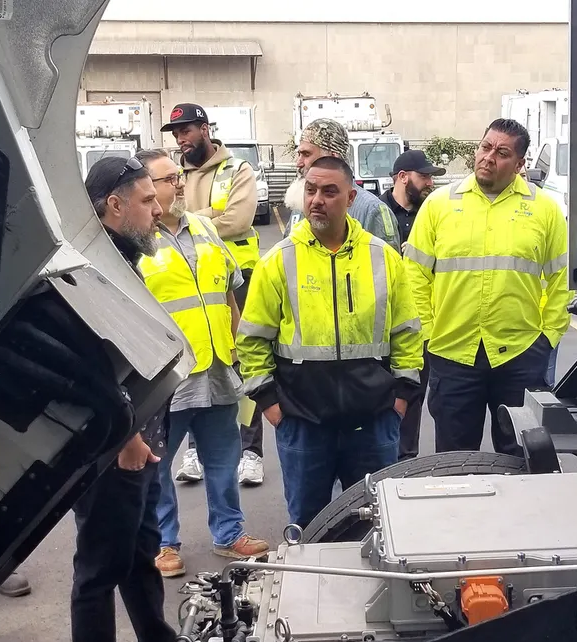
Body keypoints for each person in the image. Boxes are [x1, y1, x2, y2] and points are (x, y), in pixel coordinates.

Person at [237, 155, 423, 528]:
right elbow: (252, 341)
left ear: (351, 198)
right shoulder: (277, 261)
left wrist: (400, 398)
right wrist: (271, 405)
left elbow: (406, 333)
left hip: (373, 423)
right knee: (308, 526)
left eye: (329, 191)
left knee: (375, 525)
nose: (317, 199)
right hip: (303, 424)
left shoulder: (384, 258)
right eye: (310, 190)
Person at [69, 154, 180, 642]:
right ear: (114, 204)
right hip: (114, 445)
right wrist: (127, 437)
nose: (157, 210)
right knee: (100, 564)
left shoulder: (119, 259)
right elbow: (90, 362)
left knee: (139, 553)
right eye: (146, 200)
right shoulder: (93, 267)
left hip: (138, 437)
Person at [134, 148, 270, 578]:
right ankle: (164, 543)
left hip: (216, 370)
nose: (177, 184)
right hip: (167, 377)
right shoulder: (137, 241)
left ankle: (229, 535)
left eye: (178, 177)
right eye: (166, 178)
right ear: (144, 187)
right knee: (159, 467)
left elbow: (229, 290)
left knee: (223, 461)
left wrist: (238, 349)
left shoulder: (206, 229)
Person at [404, 118, 571, 456]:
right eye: (485, 147)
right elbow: (414, 276)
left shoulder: (545, 211)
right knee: (455, 461)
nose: (488, 157)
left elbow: (561, 280)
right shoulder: (439, 206)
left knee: (521, 460)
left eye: (502, 152)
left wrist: (547, 337)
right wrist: (428, 333)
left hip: (520, 355)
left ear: (520, 164)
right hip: (452, 353)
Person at [163, 103, 268, 488]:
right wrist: (210, 216)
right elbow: (167, 219)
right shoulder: (175, 175)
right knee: (199, 361)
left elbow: (238, 220)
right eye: (176, 134)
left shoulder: (237, 170)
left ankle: (252, 451)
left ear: (205, 129)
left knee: (244, 362)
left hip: (240, 279)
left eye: (186, 130)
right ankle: (195, 449)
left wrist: (190, 220)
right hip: (194, 281)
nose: (181, 139)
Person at [382, 148, 445, 459]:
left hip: (420, 321)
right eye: (425, 176)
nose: (430, 183)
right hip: (382, 323)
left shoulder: (429, 215)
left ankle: (407, 460)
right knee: (384, 393)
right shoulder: (377, 213)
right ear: (403, 177)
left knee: (414, 392)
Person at [285, 118, 401, 247]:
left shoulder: (372, 211)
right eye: (299, 154)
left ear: (332, 158)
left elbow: (387, 263)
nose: (299, 163)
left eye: (306, 154)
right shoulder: (299, 208)